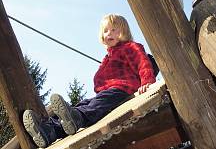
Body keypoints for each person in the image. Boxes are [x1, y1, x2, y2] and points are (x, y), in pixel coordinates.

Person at [22, 14, 156, 148]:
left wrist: (147, 82)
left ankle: (77, 117)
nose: (108, 33)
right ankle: (50, 131)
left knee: (95, 105)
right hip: (106, 92)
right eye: (105, 30)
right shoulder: (108, 57)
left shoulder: (130, 47)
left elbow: (143, 63)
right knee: (83, 104)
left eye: (114, 29)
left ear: (124, 32)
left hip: (122, 88)